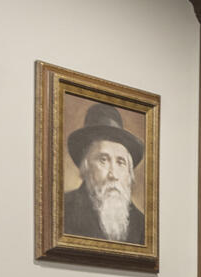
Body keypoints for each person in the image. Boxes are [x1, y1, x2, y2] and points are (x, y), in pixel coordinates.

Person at [62, 100, 148, 245]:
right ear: (86, 167)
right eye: (103, 160)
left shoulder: (142, 225)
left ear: (129, 174)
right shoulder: (63, 211)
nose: (113, 174)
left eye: (120, 162)